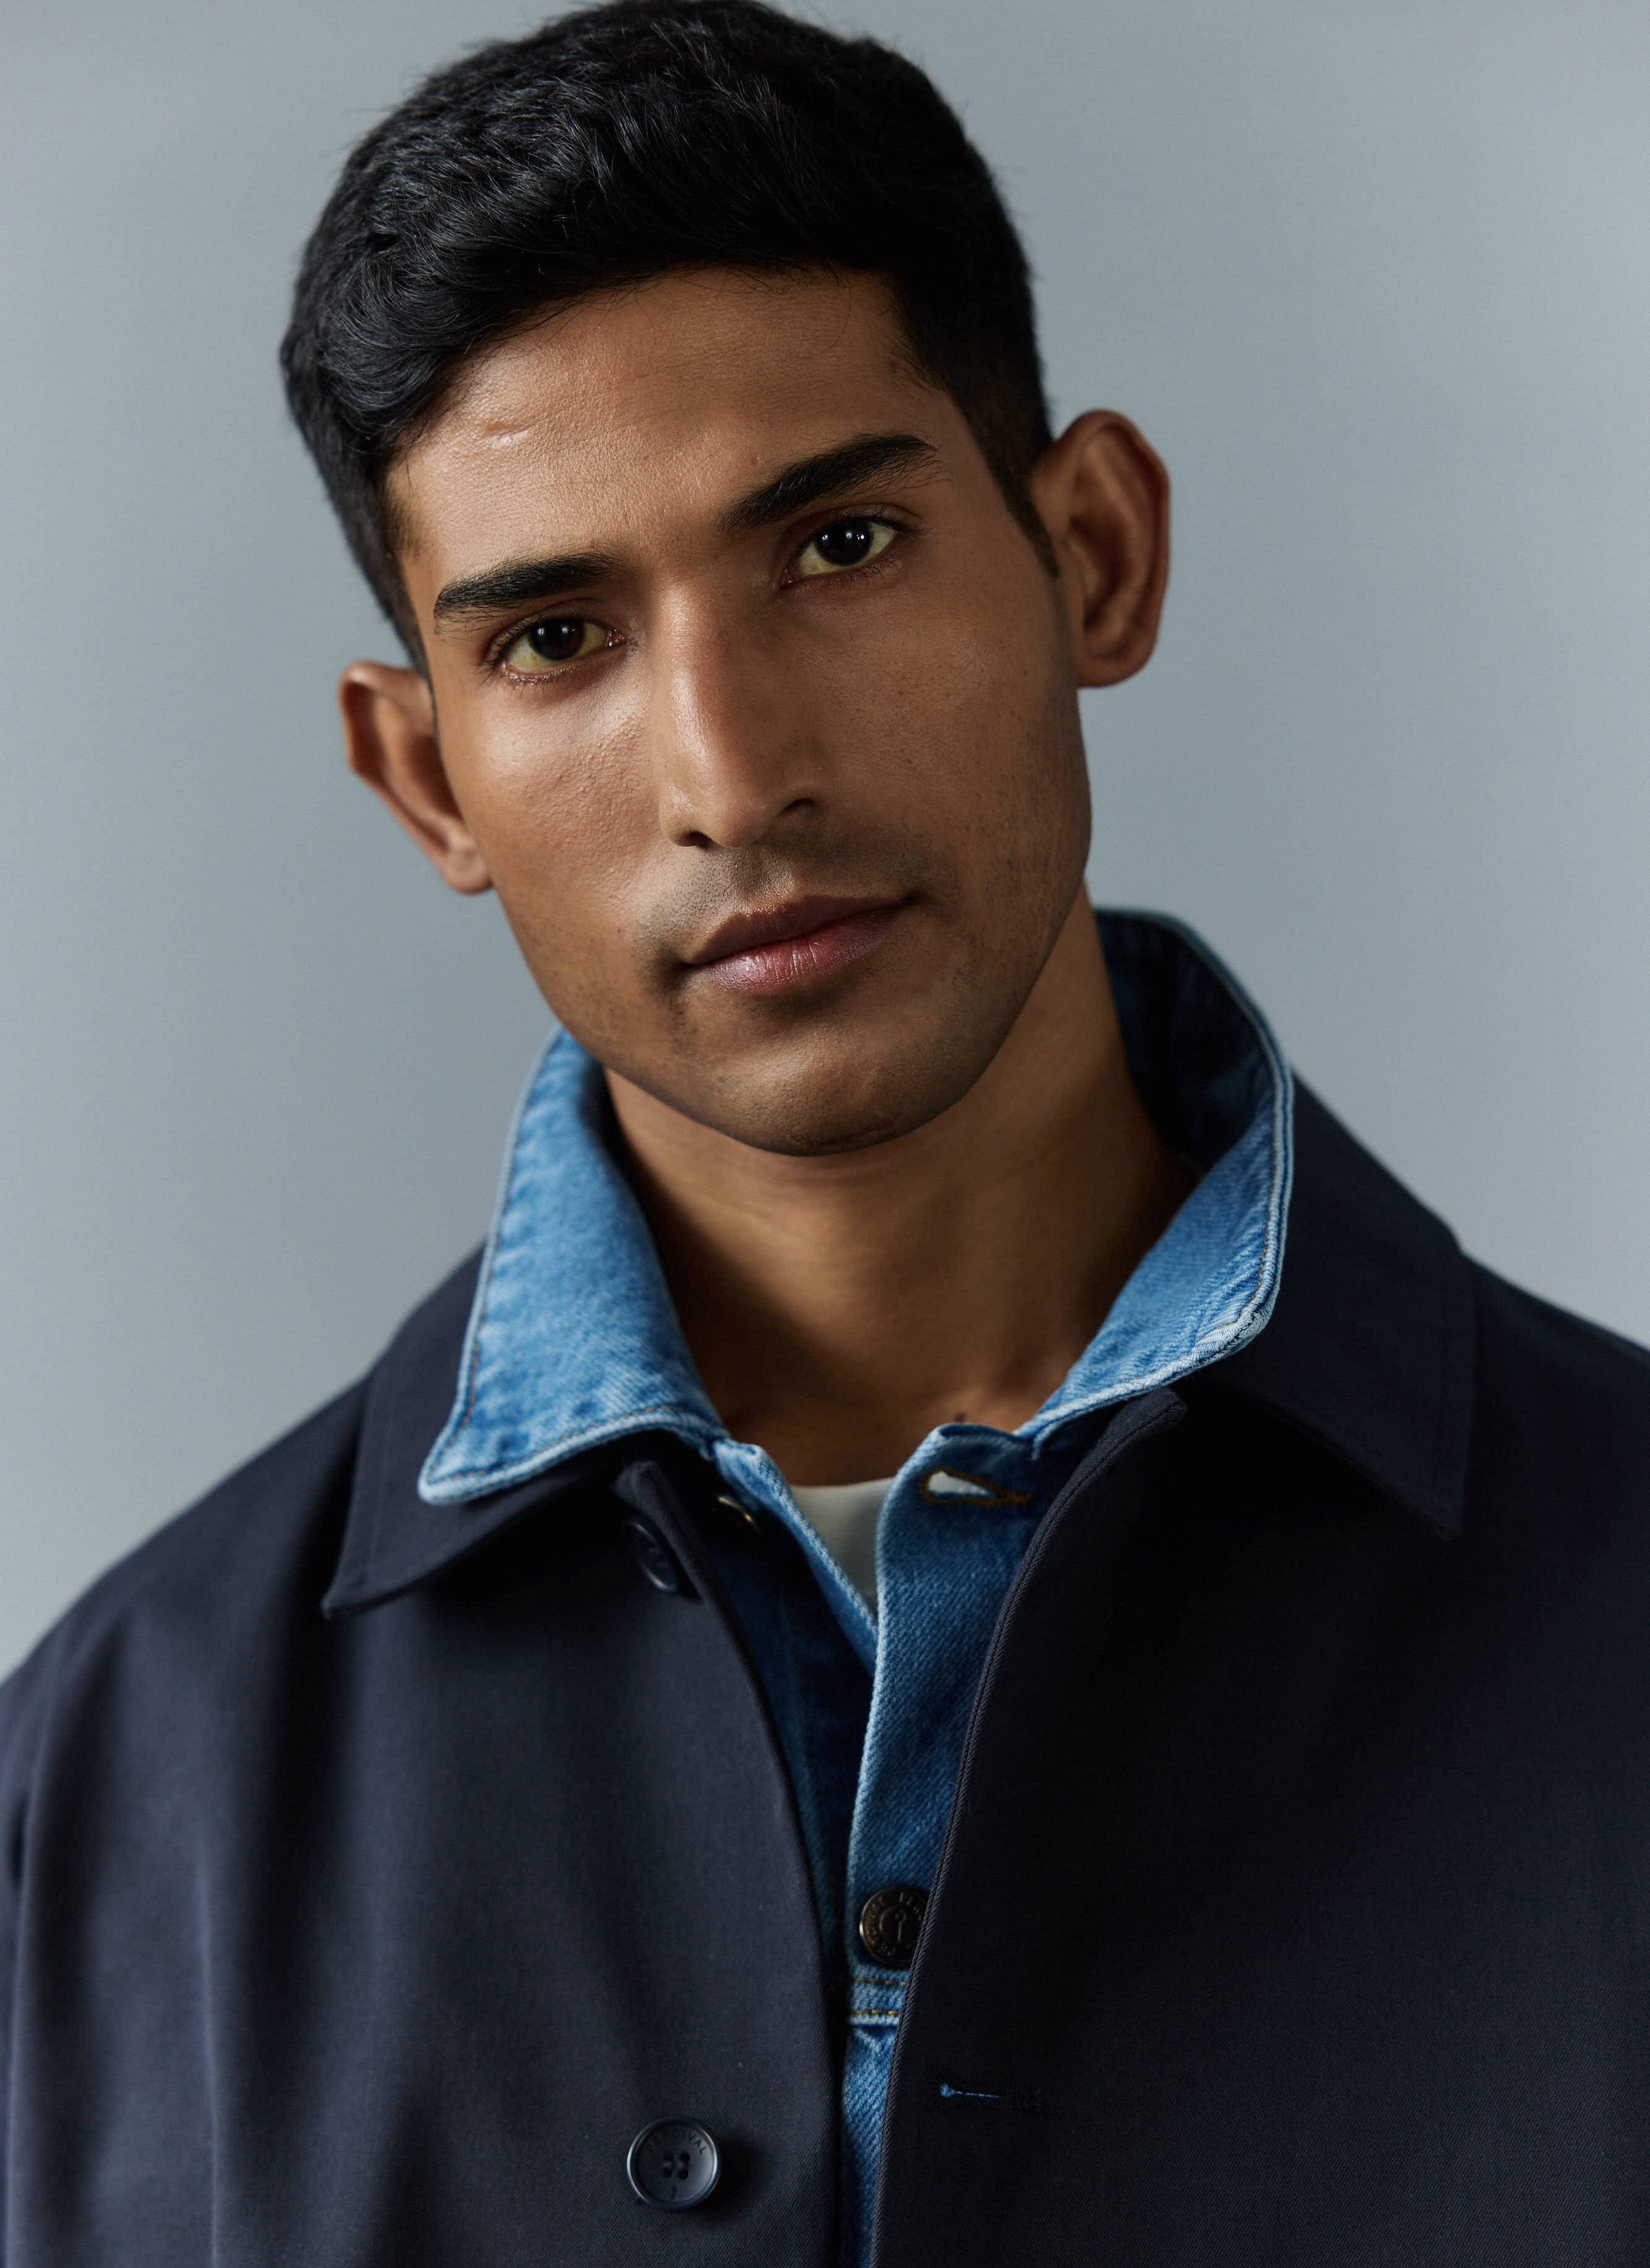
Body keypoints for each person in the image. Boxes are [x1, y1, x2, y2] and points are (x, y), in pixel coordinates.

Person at [3, 0, 1648, 2259]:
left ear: (1093, 555)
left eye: (842, 543)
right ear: (422, 777)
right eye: (558, 634)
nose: (728, 767)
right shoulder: (108, 1785)